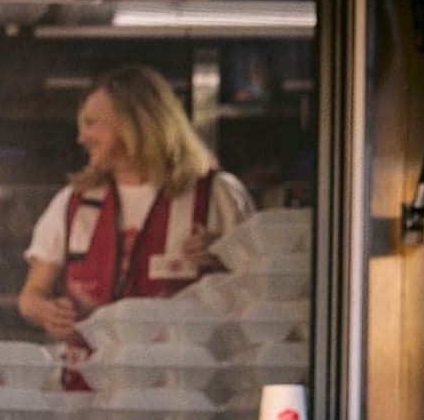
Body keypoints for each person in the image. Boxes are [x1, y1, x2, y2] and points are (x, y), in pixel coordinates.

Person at [16, 64, 254, 342]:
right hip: (92, 381)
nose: (82, 138)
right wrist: (47, 312)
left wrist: (224, 257)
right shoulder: (73, 201)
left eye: (92, 123)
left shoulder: (217, 194)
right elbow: (30, 297)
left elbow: (259, 291)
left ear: (137, 123)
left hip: (183, 380)